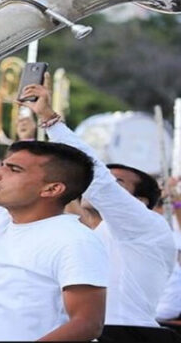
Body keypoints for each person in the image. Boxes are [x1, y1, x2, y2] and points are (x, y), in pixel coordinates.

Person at [0, 64, 108, 341]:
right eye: (3, 165)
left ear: (52, 188)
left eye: (14, 170)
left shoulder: (74, 240)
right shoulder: (3, 218)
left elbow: (87, 323)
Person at [21, 81, 175, 328]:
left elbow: (98, 181)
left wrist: (50, 120)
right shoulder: (88, 230)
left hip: (125, 334)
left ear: (139, 202)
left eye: (118, 183)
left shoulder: (148, 227)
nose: (99, 186)